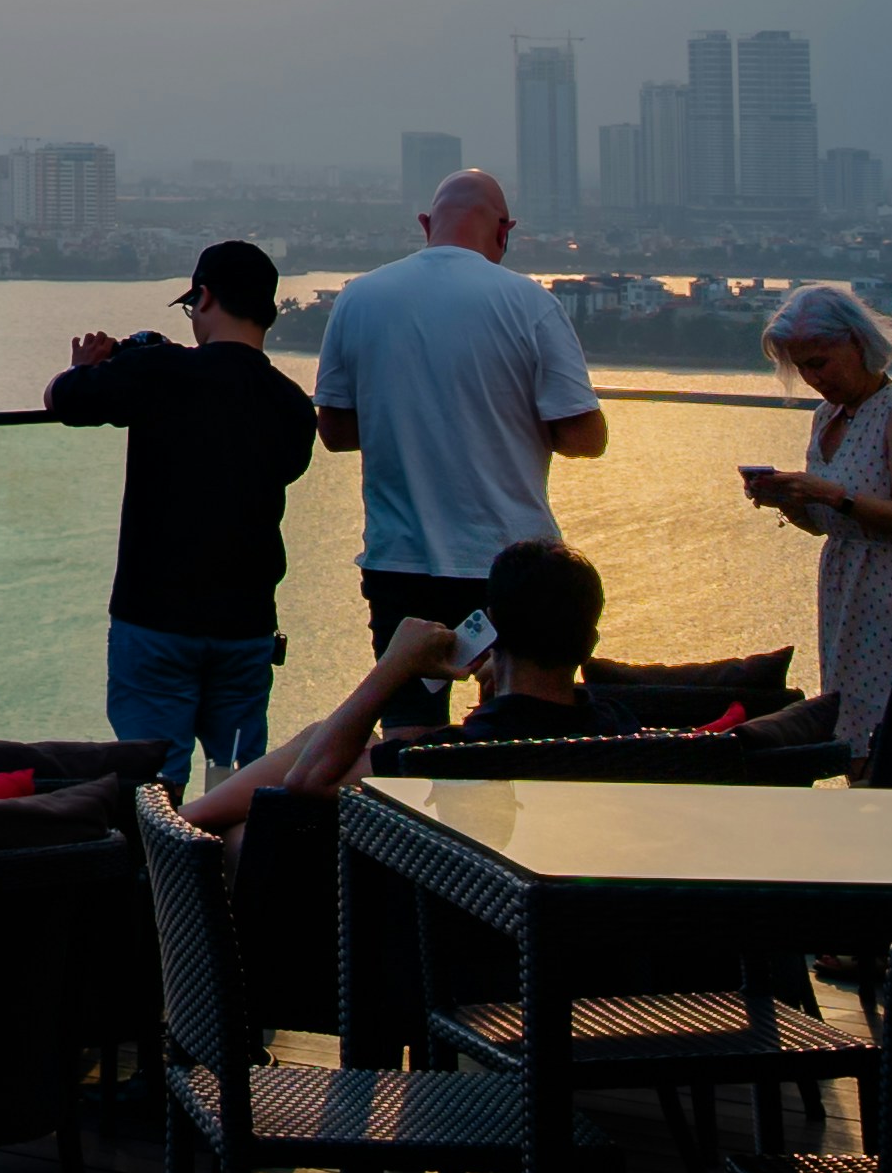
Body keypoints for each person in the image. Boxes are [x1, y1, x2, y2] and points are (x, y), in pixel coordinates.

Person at [308, 172, 609, 687]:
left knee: (407, 723)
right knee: (514, 719)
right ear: (504, 231)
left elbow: (335, 432)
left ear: (426, 224)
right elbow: (586, 438)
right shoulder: (531, 304)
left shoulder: (358, 298)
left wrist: (406, 424)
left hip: (399, 562)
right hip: (509, 567)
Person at [47, 238, 321, 782]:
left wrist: (84, 368)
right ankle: (232, 860)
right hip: (246, 625)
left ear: (206, 297)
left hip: (155, 618)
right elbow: (285, 470)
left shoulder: (159, 372)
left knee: (153, 779)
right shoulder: (291, 403)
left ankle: (162, 866)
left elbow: (64, 399)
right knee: (237, 774)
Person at [180, 537, 612, 828]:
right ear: (588, 641)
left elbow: (308, 779)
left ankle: (176, 827)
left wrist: (395, 664)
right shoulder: (618, 733)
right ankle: (182, 821)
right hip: (579, 926)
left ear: (493, 627)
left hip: (447, 932)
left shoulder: (456, 756)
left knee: (251, 825)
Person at [740, 280, 892, 744]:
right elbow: (825, 525)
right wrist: (792, 501)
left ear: (857, 344)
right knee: (845, 716)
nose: (814, 378)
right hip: (843, 580)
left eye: (819, 363)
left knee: (888, 725)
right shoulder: (827, 416)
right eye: (802, 368)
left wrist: (832, 495)